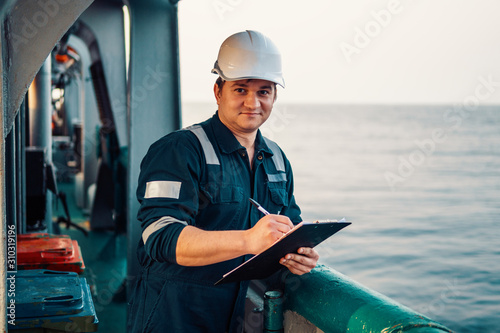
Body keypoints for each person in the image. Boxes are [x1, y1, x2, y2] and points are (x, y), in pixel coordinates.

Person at [127, 30, 319, 333]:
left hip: (243, 321)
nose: (252, 103)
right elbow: (159, 236)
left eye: (264, 91)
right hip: (176, 318)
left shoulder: (278, 160)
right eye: (240, 89)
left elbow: (290, 229)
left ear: (275, 96)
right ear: (218, 91)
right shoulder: (179, 150)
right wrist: (247, 240)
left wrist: (300, 254)